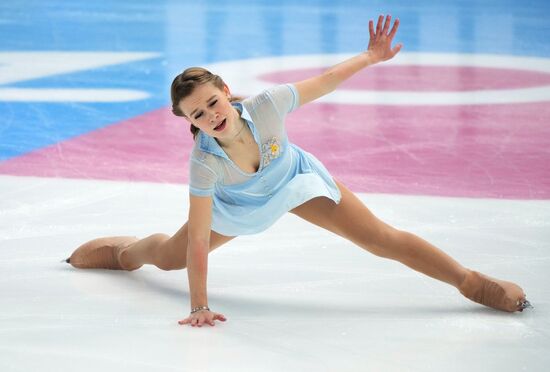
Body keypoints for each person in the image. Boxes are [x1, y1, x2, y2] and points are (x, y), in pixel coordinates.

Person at [66, 15, 531, 327]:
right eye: (198, 115)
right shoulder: (204, 164)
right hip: (237, 207)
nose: (211, 115)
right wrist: (200, 306)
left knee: (379, 239)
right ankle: (125, 253)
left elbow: (325, 82)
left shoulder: (267, 106)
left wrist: (369, 57)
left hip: (295, 181)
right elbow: (200, 240)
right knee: (171, 257)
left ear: (226, 91)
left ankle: (470, 282)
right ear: (187, 123)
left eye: (213, 102)